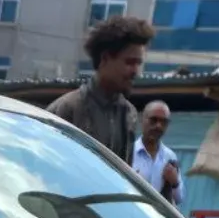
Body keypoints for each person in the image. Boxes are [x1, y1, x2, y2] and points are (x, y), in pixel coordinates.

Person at [49, 15, 154, 161]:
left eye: (139, 63)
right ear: (105, 59)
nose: (136, 71)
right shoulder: (67, 110)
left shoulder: (129, 114)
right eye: (130, 62)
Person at [132, 100, 184, 208]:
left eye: (163, 122)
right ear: (142, 120)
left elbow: (179, 198)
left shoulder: (170, 157)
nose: (158, 126)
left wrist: (175, 182)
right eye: (153, 120)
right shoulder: (128, 151)